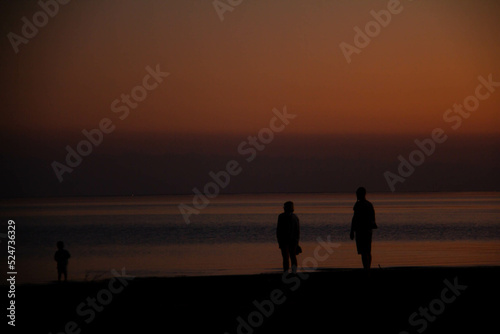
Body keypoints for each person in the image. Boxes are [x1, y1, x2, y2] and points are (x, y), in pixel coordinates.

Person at [350, 187, 377, 271]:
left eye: (358, 194)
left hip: (362, 231)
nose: (357, 196)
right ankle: (367, 268)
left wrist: (352, 230)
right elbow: (373, 218)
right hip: (367, 231)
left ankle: (366, 269)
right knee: (367, 251)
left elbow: (354, 218)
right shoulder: (368, 204)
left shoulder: (359, 205)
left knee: (364, 252)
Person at [276, 201, 300, 273]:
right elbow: (297, 231)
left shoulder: (284, 217)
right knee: (290, 257)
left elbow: (279, 230)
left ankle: (289, 272)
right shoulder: (294, 217)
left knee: (288, 257)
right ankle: (291, 272)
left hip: (288, 240)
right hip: (289, 240)